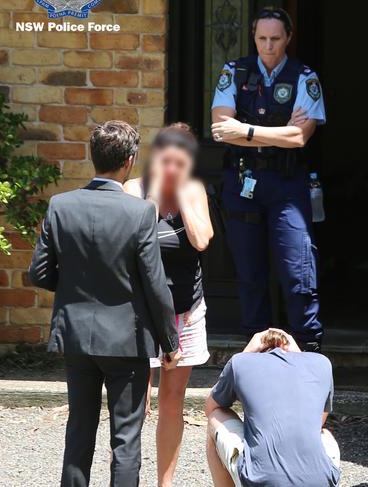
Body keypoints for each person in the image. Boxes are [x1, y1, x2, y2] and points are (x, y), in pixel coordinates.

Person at [28, 120, 181, 487]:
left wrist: (72, 291)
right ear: (129, 161)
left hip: (76, 335)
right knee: (126, 437)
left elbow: (39, 273)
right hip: (127, 339)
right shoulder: (141, 212)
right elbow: (155, 285)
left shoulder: (61, 206)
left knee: (79, 427)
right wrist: (170, 343)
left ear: (91, 156)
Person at [210, 6, 326, 351]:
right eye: (262, 38)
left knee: (297, 267)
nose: (269, 45)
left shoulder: (305, 76)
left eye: (276, 38)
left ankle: (306, 343)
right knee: (249, 268)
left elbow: (299, 138)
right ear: (254, 37)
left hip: (286, 183)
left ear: (288, 38)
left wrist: (244, 129)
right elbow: (220, 130)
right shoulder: (234, 71)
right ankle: (254, 345)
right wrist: (279, 130)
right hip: (243, 181)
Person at [124, 123, 214, 486]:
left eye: (181, 161)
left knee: (172, 400)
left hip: (184, 312)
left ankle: (166, 482)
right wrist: (157, 195)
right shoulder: (134, 190)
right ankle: (129, 476)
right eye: (167, 159)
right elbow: (133, 240)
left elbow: (202, 240)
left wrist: (182, 196)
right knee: (135, 404)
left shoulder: (194, 190)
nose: (173, 167)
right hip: (140, 314)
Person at [204, 329, 340, 487]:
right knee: (325, 434)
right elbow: (318, 422)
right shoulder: (322, 363)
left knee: (216, 416)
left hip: (259, 480)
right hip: (320, 481)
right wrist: (299, 354)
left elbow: (210, 408)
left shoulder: (241, 362)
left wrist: (246, 352)